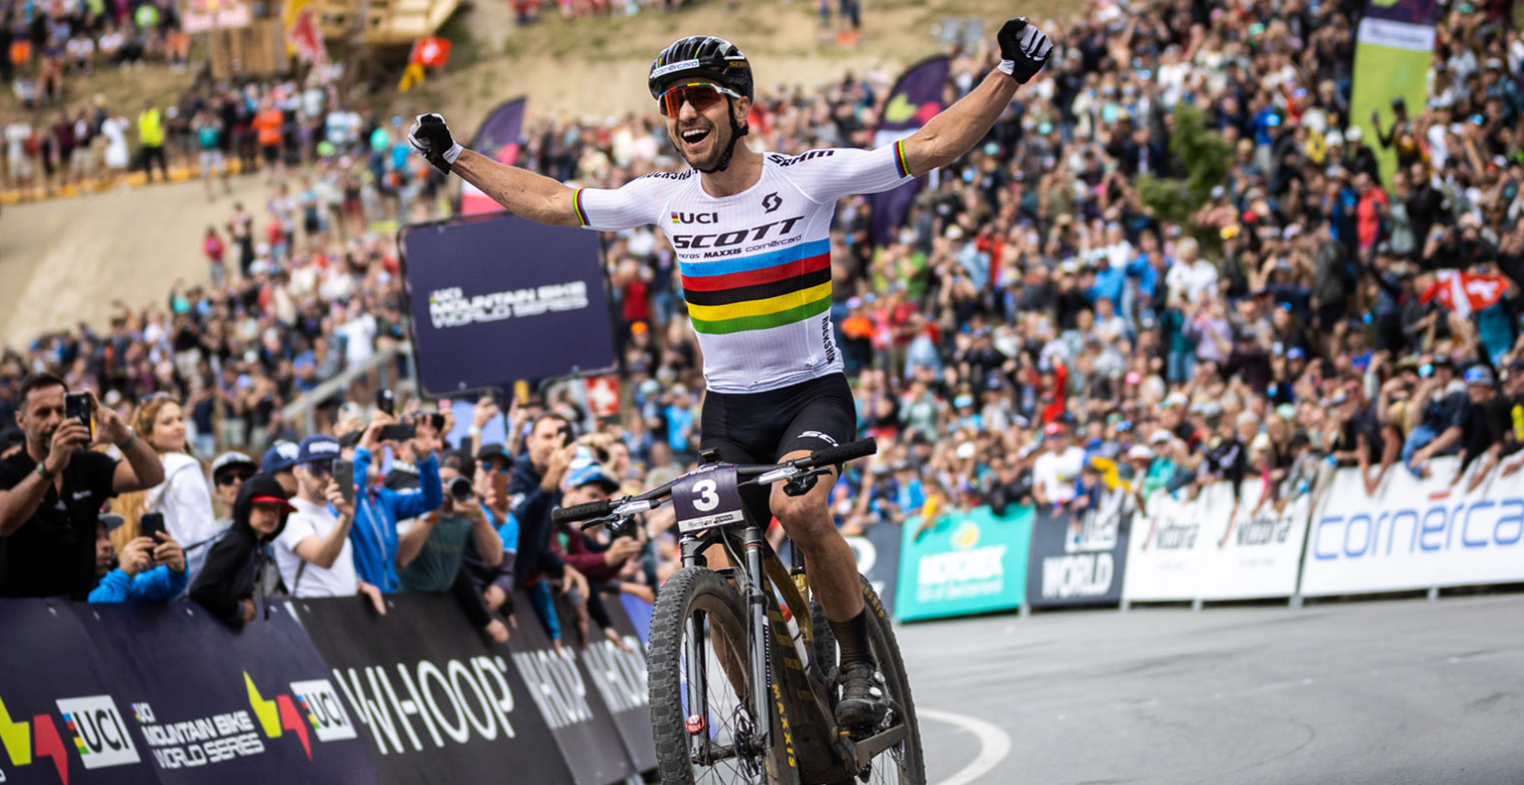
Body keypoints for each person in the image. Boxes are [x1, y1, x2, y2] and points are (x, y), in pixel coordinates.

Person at [409, 17, 1054, 727]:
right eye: (670, 102)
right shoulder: (665, 197)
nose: (684, 112)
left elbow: (932, 144)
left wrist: (1011, 72)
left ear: (740, 108)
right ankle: (774, 727)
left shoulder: (808, 178)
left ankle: (858, 662)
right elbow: (552, 202)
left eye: (702, 97)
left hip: (811, 395)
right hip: (729, 412)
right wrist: (457, 156)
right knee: (711, 563)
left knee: (799, 507)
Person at [0, 374, 165, 600]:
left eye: (61, 410)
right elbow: (4, 520)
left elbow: (153, 476)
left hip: (81, 610)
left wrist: (122, 435)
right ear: (21, 421)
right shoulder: (7, 469)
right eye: (42, 413)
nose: (54, 421)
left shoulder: (86, 464)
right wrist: (49, 467)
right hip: (23, 612)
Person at [111, 396, 218, 588]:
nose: (179, 427)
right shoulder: (184, 466)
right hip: (179, 583)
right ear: (148, 434)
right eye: (168, 422)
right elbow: (201, 542)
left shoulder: (130, 471)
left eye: (180, 419)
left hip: (144, 584)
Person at [272, 435, 385, 612]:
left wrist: (358, 586)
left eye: (332, 468)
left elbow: (330, 574)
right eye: (317, 468)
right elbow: (323, 559)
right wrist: (346, 518)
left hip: (337, 616)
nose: (326, 476)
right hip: (312, 616)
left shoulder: (330, 514)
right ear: (298, 472)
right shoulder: (291, 514)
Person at [350, 412, 445, 593]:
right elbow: (348, 499)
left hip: (389, 599)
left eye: (377, 452)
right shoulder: (343, 502)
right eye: (366, 452)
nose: (372, 455)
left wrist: (425, 458)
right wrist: (362, 452)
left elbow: (432, 501)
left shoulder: (385, 499)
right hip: (356, 603)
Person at [189, 473, 293, 628]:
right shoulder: (237, 542)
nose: (270, 514)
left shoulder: (258, 545)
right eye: (263, 507)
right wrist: (238, 609)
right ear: (246, 507)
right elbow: (201, 590)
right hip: (200, 627)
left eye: (276, 508)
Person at [89, 512, 187, 603]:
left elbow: (155, 586)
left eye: (107, 537)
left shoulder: (116, 582)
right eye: (95, 537)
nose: (107, 544)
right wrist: (123, 575)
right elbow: (92, 611)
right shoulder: (119, 581)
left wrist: (177, 569)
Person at [211, 451, 258, 525]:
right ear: (217, 492)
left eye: (244, 476)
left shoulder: (270, 529)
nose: (237, 482)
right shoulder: (209, 533)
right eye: (227, 479)